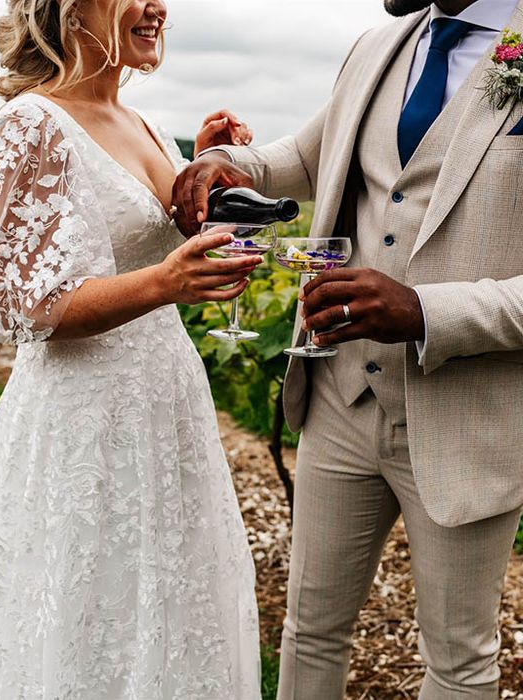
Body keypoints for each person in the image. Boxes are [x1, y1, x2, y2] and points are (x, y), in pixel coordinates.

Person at [0, 1, 263, 698]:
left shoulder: (143, 123)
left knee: (171, 599)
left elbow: (131, 226)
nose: (160, 6)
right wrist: (168, 282)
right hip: (85, 420)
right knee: (87, 608)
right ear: (73, 9)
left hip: (166, 404)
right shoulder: (29, 125)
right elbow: (25, 304)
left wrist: (199, 167)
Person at [174, 0, 523, 697]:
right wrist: (226, 161)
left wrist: (425, 310)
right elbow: (304, 156)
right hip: (341, 394)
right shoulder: (378, 45)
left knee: (458, 660)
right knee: (310, 626)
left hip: (468, 416)